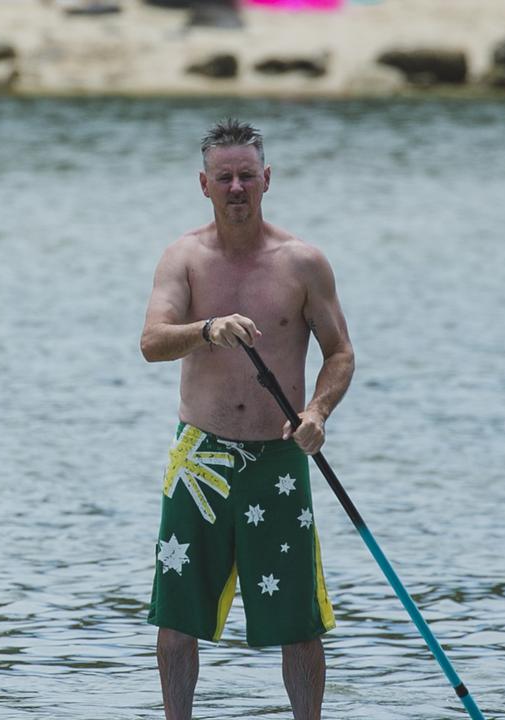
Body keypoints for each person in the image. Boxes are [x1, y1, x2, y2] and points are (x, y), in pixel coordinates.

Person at [139, 118, 354, 720]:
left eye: (247, 176)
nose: (237, 187)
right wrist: (208, 330)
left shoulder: (302, 263)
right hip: (200, 461)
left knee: (298, 623)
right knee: (178, 618)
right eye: (224, 177)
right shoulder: (183, 258)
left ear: (267, 181)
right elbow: (153, 342)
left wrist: (316, 412)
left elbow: (340, 352)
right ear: (203, 184)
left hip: (278, 459)